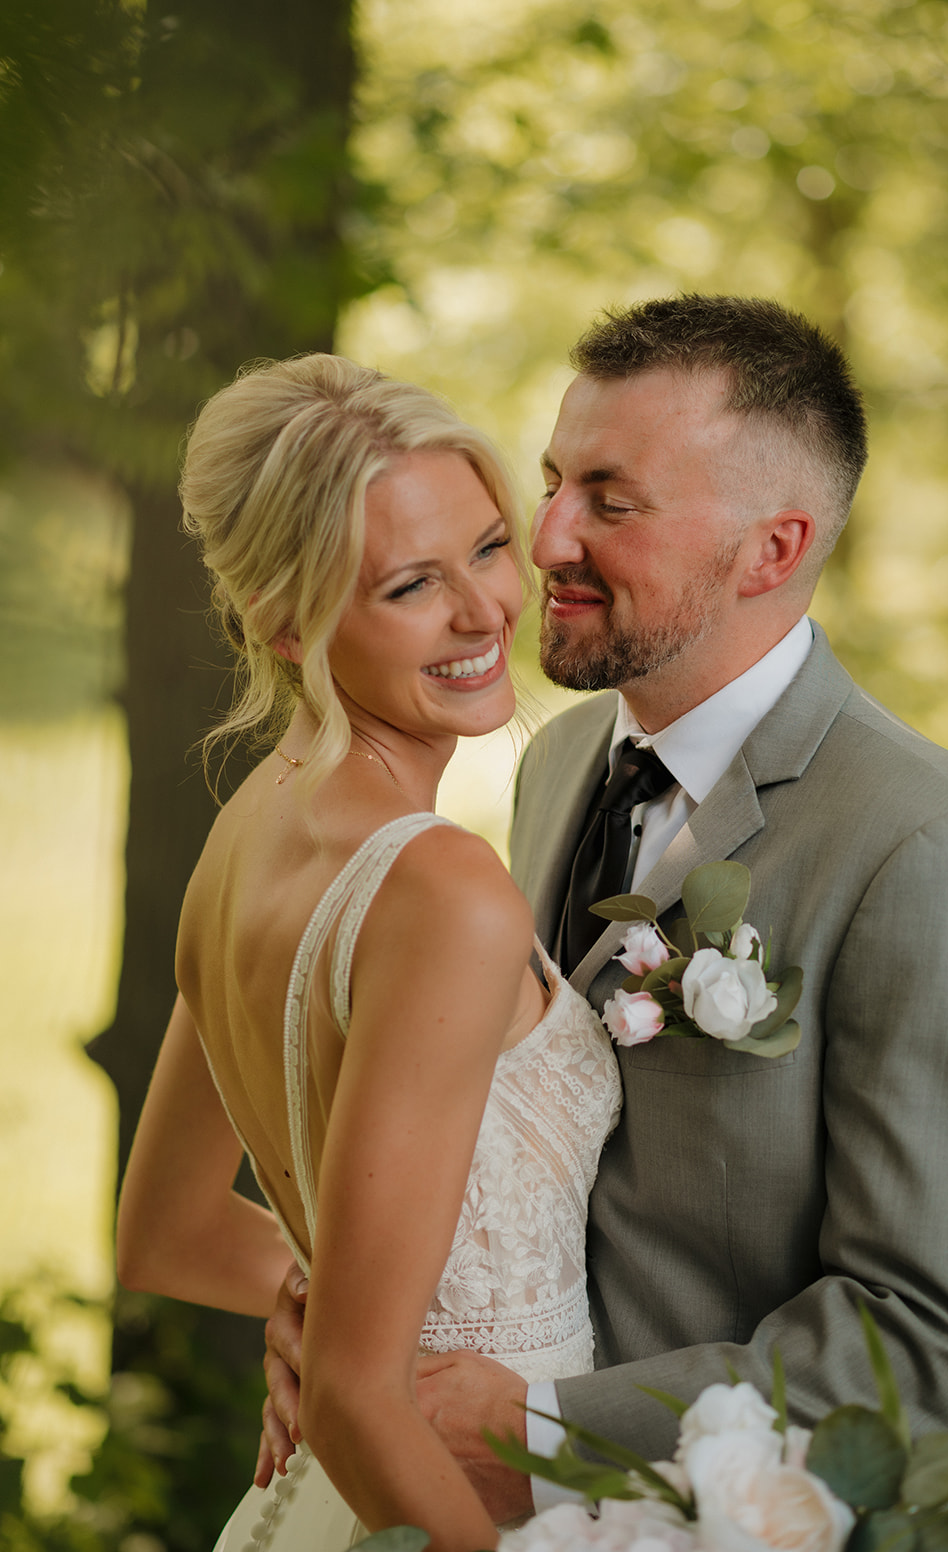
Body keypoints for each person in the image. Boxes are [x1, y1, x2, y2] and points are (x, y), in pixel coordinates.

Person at [259, 296, 948, 1540]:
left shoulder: (922, 847)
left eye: (610, 502)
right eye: (553, 482)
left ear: (770, 548)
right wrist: (346, 1313)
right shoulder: (560, 758)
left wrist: (545, 1426)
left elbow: (936, 1346)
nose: (546, 538)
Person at [115, 352, 622, 1552]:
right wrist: (352, 1351)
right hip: (449, 1504)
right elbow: (352, 1390)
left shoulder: (245, 837)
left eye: (490, 548)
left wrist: (320, 1302)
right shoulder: (441, 890)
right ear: (284, 624)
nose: (485, 612)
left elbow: (169, 1231)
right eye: (409, 585)